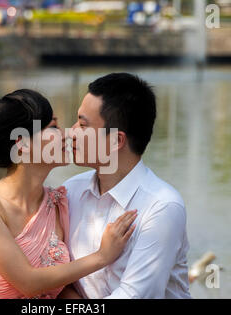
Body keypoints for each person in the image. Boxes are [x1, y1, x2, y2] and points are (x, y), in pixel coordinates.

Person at [0, 89, 137, 299]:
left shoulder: (58, 202)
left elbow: (63, 289)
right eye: (53, 127)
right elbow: (28, 282)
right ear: (22, 144)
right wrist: (102, 256)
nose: (66, 134)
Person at [59, 73, 191, 299]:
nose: (72, 132)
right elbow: (57, 279)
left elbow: (134, 296)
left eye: (82, 125)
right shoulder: (71, 191)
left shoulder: (161, 207)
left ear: (116, 141)